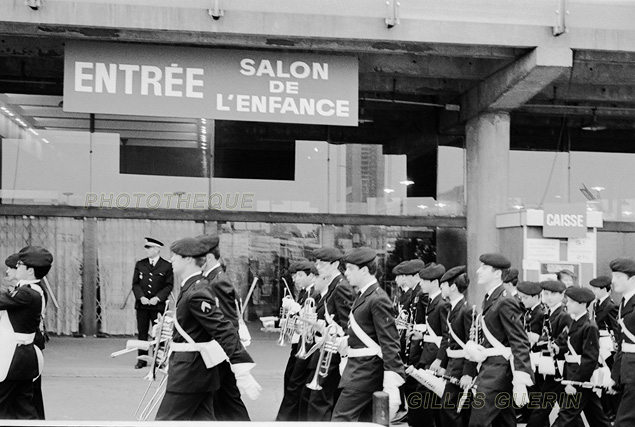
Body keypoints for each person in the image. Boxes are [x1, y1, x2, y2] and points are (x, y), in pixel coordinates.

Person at [154, 237, 259, 421]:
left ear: (188, 259)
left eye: (175, 256)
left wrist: (241, 366)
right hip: (196, 372)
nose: (171, 260)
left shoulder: (197, 291)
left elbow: (223, 328)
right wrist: (169, 327)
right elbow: (197, 327)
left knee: (165, 422)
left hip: (189, 374)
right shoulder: (192, 287)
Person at [332, 247, 405, 422]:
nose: (346, 273)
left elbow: (389, 343)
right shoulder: (365, 295)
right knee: (365, 422)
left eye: (350, 268)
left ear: (364, 270)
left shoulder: (377, 298)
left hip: (366, 372)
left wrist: (392, 383)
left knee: (341, 419)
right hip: (360, 369)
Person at [465, 253, 533, 427]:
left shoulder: (505, 301)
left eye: (484, 268)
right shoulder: (490, 299)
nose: (479, 271)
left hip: (498, 372)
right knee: (504, 422)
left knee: (478, 423)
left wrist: (520, 378)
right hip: (492, 367)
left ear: (497, 273)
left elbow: (519, 341)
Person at [196, 234, 251, 421]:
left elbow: (228, 321)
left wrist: (229, 352)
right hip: (219, 348)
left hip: (219, 350)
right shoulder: (213, 278)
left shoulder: (219, 281)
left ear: (209, 257)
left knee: (225, 397)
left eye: (199, 257)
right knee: (225, 397)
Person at [0, 246, 52, 419]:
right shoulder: (28, 290)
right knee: (24, 409)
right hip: (24, 357)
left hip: (15, 358)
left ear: (29, 270)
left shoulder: (28, 293)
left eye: (19, 264)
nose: (15, 267)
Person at [304, 247, 354, 421]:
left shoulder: (340, 287)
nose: (318, 267)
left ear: (335, 264)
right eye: (317, 263)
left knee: (320, 402)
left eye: (322, 263)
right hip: (326, 348)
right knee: (318, 400)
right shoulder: (332, 286)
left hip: (333, 351)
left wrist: (321, 326)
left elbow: (349, 324)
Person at [552, 286, 611, 427]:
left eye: (571, 302)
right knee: (596, 417)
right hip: (576, 375)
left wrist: (574, 382)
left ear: (583, 304)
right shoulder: (575, 322)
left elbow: (589, 359)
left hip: (580, 378)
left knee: (566, 415)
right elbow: (565, 345)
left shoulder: (589, 326)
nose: (567, 304)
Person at [276, 260, 318, 421]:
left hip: (307, 345)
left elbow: (310, 318)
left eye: (299, 275)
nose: (295, 279)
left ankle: (286, 420)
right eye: (294, 276)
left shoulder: (313, 293)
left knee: (294, 384)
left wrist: (294, 307)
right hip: (298, 343)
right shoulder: (304, 293)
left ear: (311, 276)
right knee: (290, 381)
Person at [526, 280, 572, 427]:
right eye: (546, 294)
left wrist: (539, 338)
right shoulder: (548, 313)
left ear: (561, 295)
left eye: (553, 294)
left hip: (560, 365)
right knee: (569, 410)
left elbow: (564, 340)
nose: (549, 297)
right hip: (551, 364)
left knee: (544, 405)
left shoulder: (564, 315)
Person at [409, 262, 448, 427]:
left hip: (434, 358)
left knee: (424, 399)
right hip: (427, 355)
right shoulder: (432, 302)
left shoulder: (441, 303)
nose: (421, 283)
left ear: (434, 282)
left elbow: (447, 336)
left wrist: (440, 360)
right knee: (431, 402)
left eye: (424, 280)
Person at [438, 265, 476, 427]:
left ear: (452, 287)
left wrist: (468, 372)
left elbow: (471, 344)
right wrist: (443, 364)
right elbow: (449, 341)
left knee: (448, 407)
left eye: (444, 285)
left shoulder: (466, 310)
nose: (441, 287)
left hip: (461, 367)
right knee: (463, 408)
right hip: (453, 365)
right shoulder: (453, 308)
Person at [131, 237, 174, 369]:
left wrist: (158, 298)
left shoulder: (166, 266)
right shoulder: (140, 264)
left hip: (158, 305)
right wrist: (141, 297)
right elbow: (135, 284)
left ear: (157, 249)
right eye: (147, 248)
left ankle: (158, 359)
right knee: (142, 332)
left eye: (150, 248)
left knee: (159, 333)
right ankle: (141, 359)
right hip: (143, 305)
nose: (147, 251)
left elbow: (168, 285)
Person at [608, 257, 635, 426]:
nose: (613, 280)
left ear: (632, 279)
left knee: (624, 421)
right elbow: (622, 345)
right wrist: (614, 376)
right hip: (628, 370)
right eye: (613, 276)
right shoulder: (623, 303)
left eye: (618, 276)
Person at [589, 275, 620, 420]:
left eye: (596, 288)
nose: (594, 291)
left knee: (610, 376)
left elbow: (615, 328)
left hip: (608, 345)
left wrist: (616, 347)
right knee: (601, 375)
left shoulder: (611, 306)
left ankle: (614, 410)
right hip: (599, 343)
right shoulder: (596, 304)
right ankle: (606, 407)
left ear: (603, 289)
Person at [516, 281, 545, 424]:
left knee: (536, 388)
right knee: (531, 388)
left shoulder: (540, 312)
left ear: (535, 297)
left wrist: (537, 338)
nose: (522, 300)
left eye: (525, 298)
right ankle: (529, 415)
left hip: (538, 356)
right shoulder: (530, 312)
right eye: (521, 297)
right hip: (531, 355)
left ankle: (535, 418)